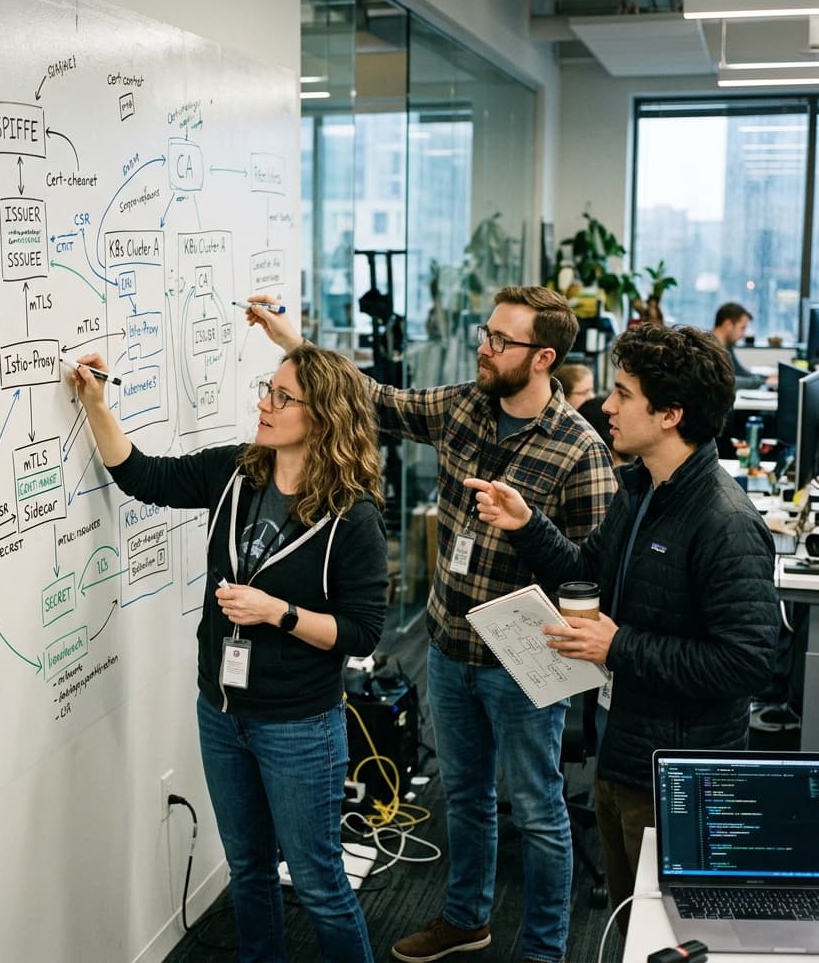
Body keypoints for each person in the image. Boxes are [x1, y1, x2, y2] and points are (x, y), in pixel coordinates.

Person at [245, 286, 616, 963]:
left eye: (501, 340)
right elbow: (372, 398)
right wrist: (293, 343)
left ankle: (544, 949)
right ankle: (466, 919)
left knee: (537, 810)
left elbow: (593, 578)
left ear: (543, 358)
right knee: (465, 796)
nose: (484, 347)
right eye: (486, 332)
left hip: (525, 661)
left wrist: (527, 527)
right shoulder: (464, 406)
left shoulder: (580, 450)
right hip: (448, 645)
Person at [67, 344, 388, 963]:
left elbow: (362, 633)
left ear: (323, 416)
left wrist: (279, 613)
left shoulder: (353, 517)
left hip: (298, 724)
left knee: (319, 883)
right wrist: (97, 406)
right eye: (268, 389)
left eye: (283, 398)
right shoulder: (236, 472)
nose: (265, 404)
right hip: (220, 711)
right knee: (248, 869)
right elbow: (144, 477)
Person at [468, 324, 781, 932]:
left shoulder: (725, 522)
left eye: (623, 394)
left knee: (671, 935)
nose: (606, 407)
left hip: (676, 778)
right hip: (621, 751)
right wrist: (528, 525)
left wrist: (619, 646)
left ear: (670, 415)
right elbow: (587, 574)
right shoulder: (640, 490)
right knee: (631, 924)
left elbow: (746, 664)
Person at [712, 302, 768, 390]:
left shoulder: (727, 346)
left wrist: (766, 378)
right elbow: (724, 382)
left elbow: (739, 371)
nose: (743, 335)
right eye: (742, 328)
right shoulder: (708, 347)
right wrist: (762, 382)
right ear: (728, 325)